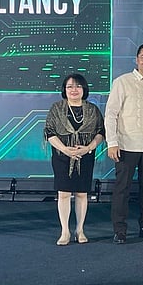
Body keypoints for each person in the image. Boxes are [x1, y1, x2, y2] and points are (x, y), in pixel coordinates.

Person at [105, 43, 143, 244]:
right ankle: (119, 230)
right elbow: (111, 114)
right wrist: (112, 142)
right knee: (122, 189)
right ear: (137, 60)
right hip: (126, 145)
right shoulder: (122, 82)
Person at [45, 74, 105, 245]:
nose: (74, 90)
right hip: (61, 156)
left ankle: (80, 230)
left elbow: (101, 132)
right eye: (70, 86)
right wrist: (65, 149)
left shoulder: (92, 110)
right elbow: (49, 132)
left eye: (78, 86)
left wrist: (88, 148)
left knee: (81, 193)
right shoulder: (56, 108)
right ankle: (65, 231)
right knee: (63, 193)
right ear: (64, 89)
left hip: (85, 156)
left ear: (84, 89)